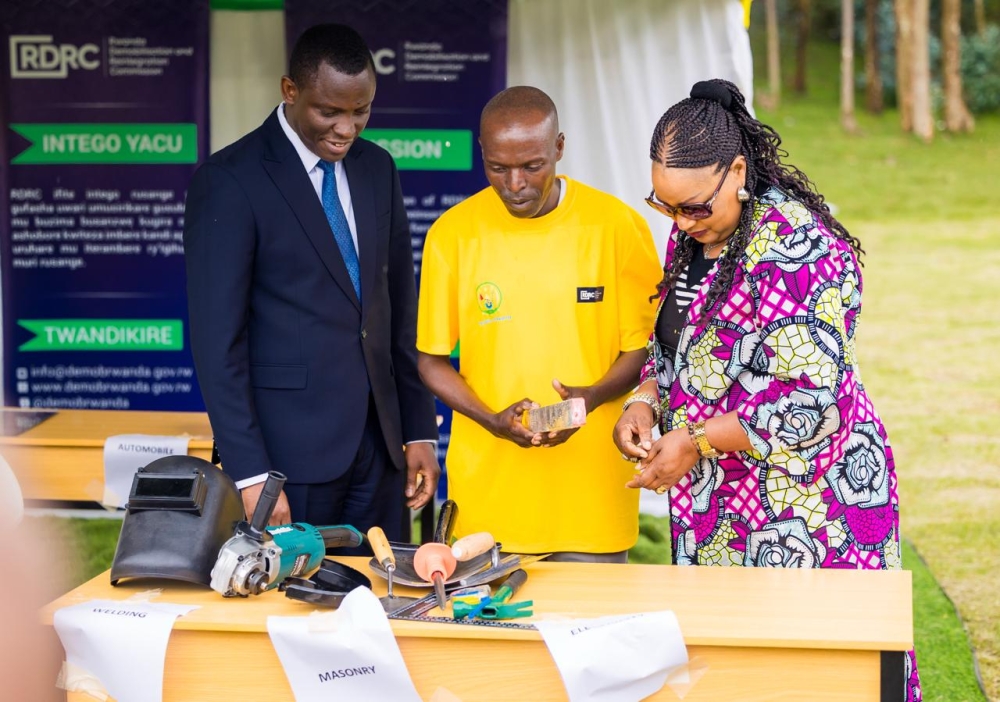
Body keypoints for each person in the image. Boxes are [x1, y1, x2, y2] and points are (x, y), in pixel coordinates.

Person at [613, 79, 921, 699]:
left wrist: (696, 440)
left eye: (693, 206)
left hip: (806, 504)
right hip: (719, 503)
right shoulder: (696, 232)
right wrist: (645, 398)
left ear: (736, 170)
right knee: (731, 676)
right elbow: (682, 344)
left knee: (814, 676)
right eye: (664, 205)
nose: (678, 221)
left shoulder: (797, 248)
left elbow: (813, 400)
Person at [184, 24, 438, 548]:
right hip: (287, 458)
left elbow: (397, 310)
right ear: (289, 90)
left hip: (382, 449)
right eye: (330, 112)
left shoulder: (377, 168)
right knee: (292, 612)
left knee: (381, 602)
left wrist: (417, 430)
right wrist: (252, 473)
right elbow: (217, 345)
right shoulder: (230, 179)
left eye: (361, 110)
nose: (347, 128)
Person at [416, 86, 661, 562]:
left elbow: (646, 349)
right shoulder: (452, 234)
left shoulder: (615, 226)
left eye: (532, 166)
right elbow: (430, 359)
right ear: (481, 151)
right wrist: (492, 420)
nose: (515, 184)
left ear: (560, 148)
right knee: (491, 635)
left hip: (591, 499)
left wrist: (590, 397)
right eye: (498, 168)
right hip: (490, 503)